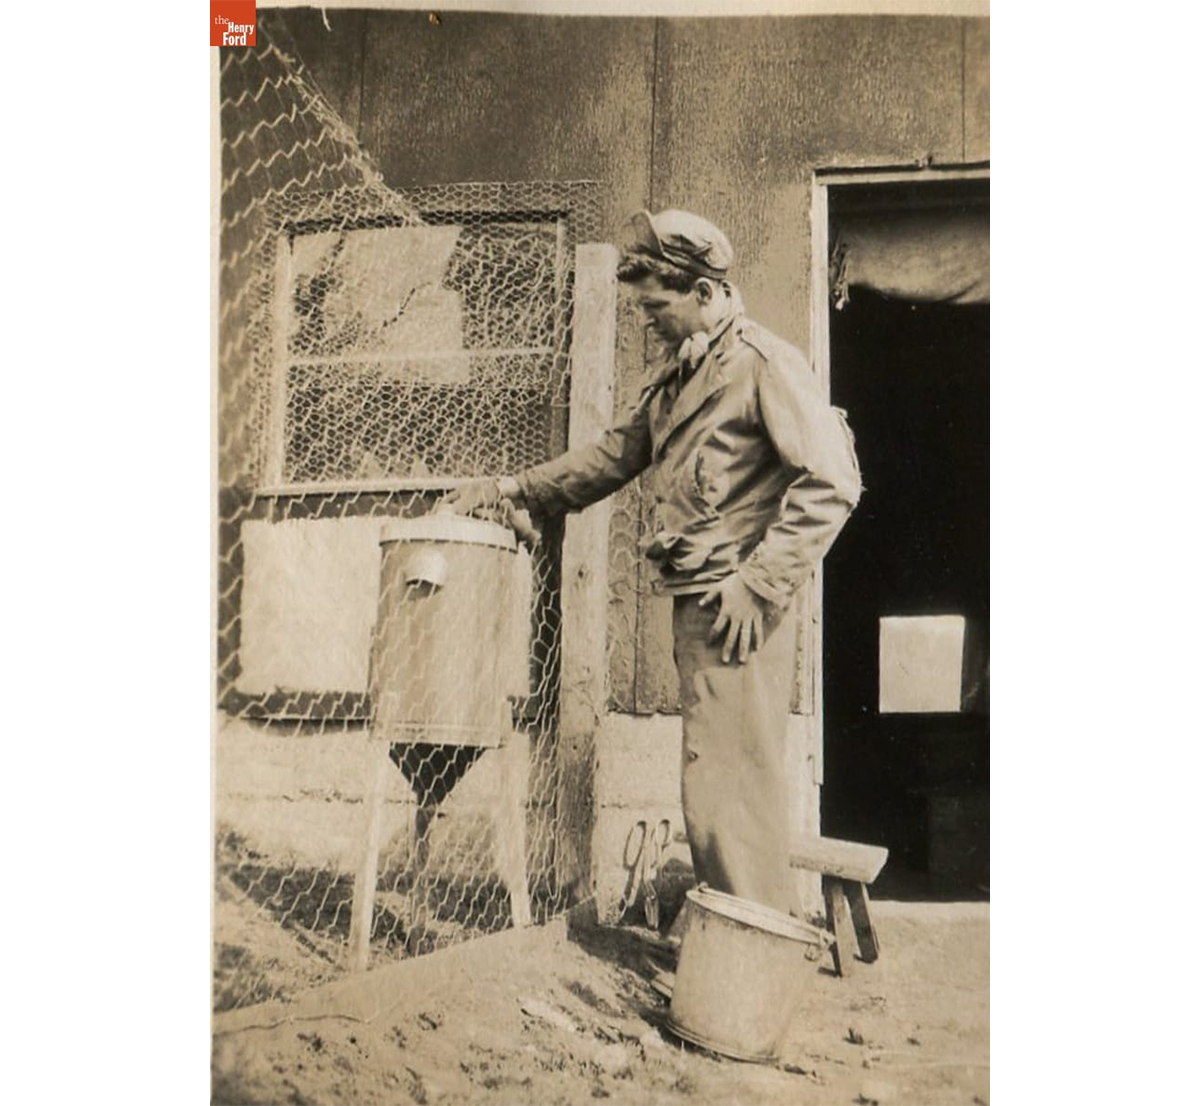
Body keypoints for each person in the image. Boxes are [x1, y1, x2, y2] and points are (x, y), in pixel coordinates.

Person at [448, 209, 862, 917]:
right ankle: (744, 950)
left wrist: (757, 586)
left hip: (737, 608)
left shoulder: (763, 363)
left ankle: (751, 963)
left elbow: (834, 482)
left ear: (705, 292)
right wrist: (518, 489)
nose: (648, 321)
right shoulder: (683, 372)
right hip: (701, 597)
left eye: (657, 306)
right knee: (714, 787)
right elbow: (615, 454)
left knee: (731, 790)